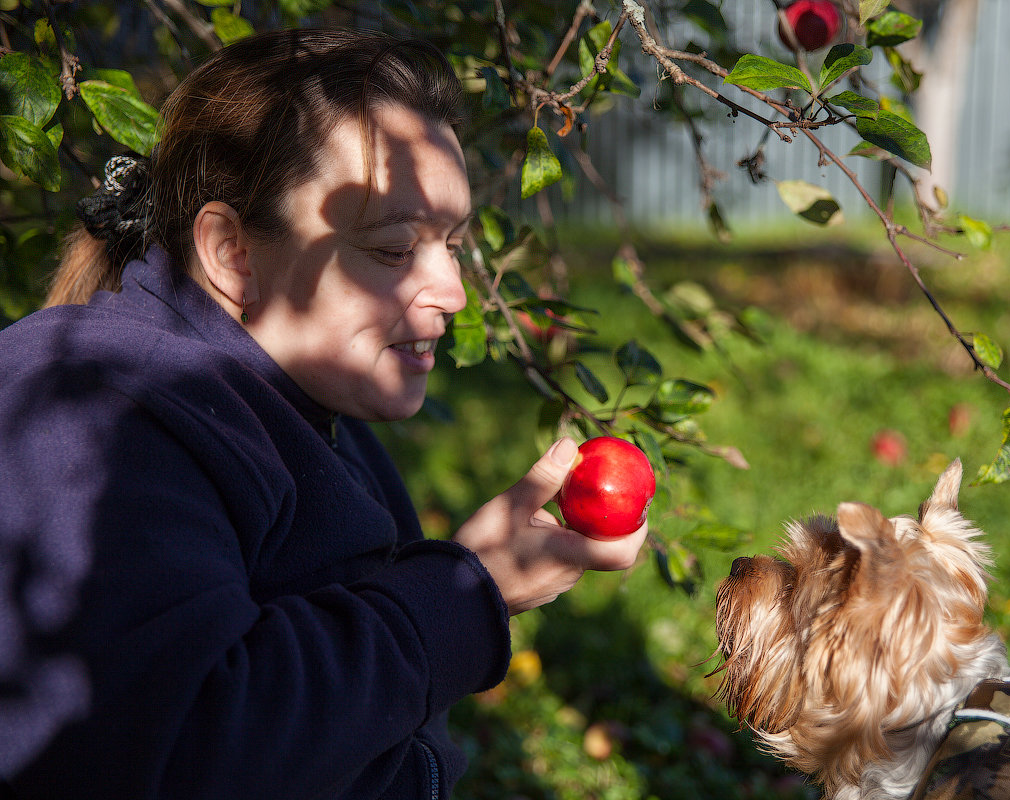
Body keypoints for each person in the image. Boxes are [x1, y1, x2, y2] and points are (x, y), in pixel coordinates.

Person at [0, 27, 647, 798]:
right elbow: (180, 751)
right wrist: (465, 594)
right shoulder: (88, 414)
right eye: (393, 248)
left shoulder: (306, 406)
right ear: (233, 252)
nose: (454, 293)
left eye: (451, 243)